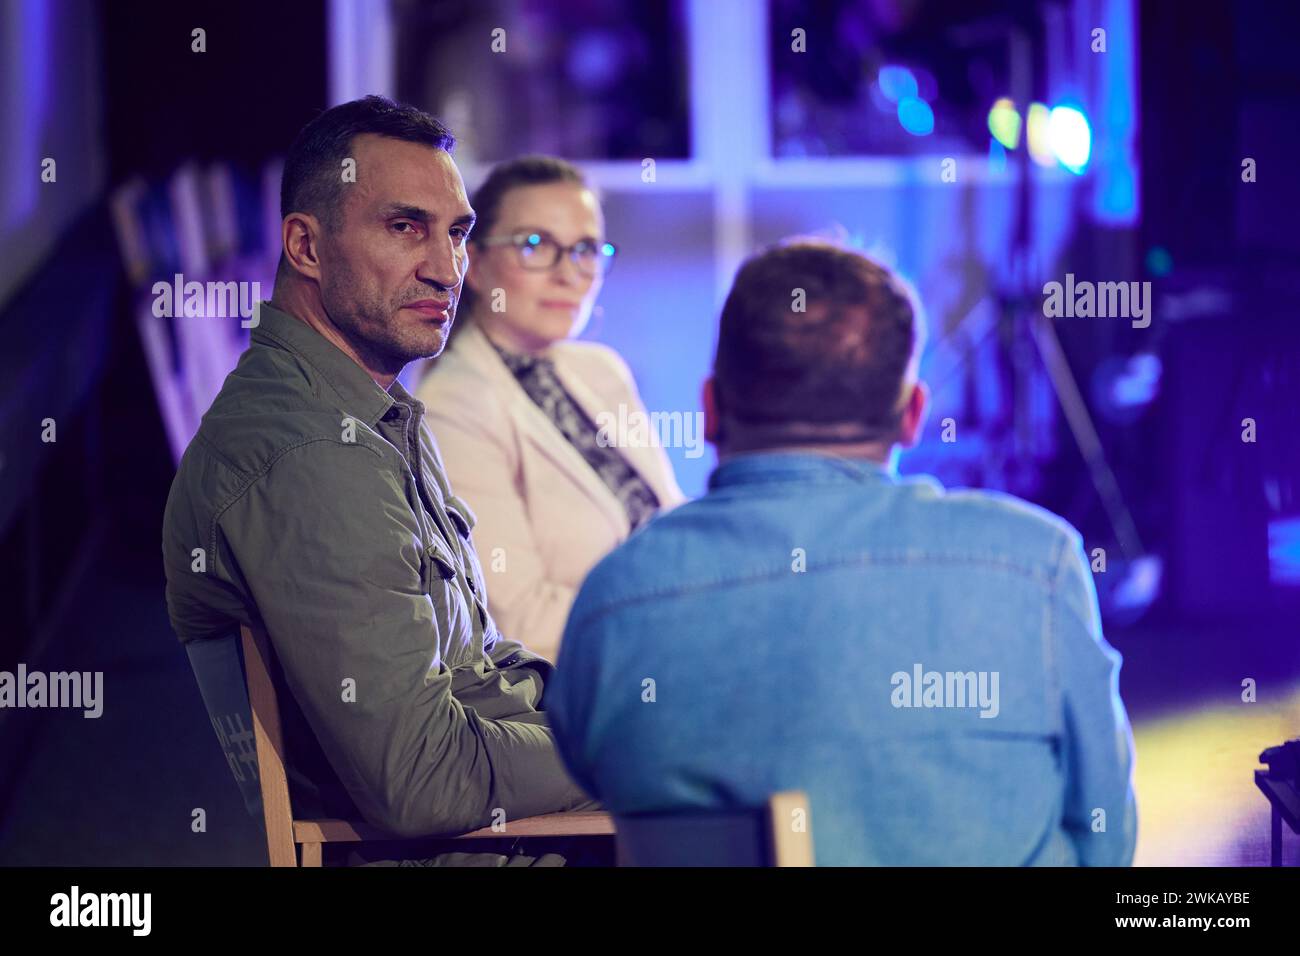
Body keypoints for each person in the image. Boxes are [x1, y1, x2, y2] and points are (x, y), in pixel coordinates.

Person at [548, 238, 1139, 866]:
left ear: (710, 409)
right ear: (913, 414)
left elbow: (597, 782)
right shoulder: (1037, 566)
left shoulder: (615, 598)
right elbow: (1106, 839)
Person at [162, 96, 597, 854]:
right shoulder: (311, 453)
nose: (445, 268)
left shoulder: (371, 409)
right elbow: (422, 777)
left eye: (456, 232)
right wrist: (628, 751)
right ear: (305, 245)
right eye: (405, 228)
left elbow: (479, 663)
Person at [416, 157, 684, 664]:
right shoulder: (453, 406)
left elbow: (670, 527)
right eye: (535, 246)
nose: (569, 274)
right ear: (471, 262)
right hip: (582, 693)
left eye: (585, 250)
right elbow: (521, 622)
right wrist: (684, 617)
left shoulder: (602, 370)